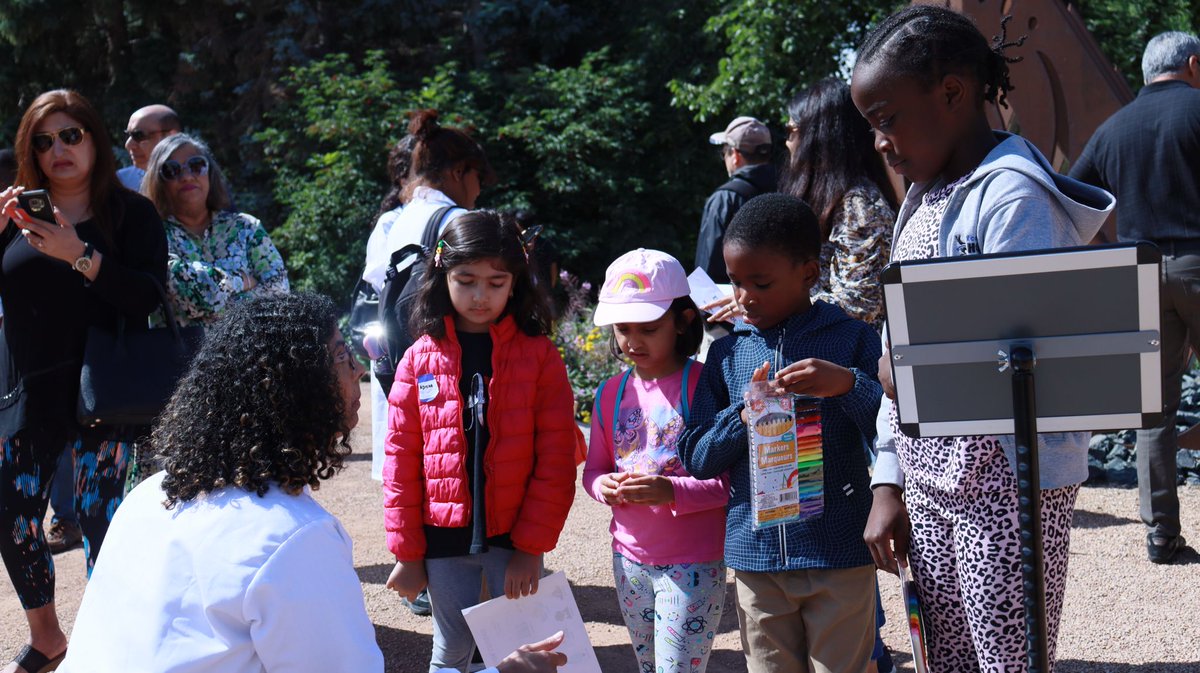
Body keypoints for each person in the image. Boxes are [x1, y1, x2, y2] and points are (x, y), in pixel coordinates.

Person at [56, 293, 568, 673]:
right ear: (298, 390)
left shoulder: (151, 494)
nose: (358, 374)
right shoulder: (291, 539)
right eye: (343, 357)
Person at [851, 6, 1115, 672]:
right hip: (932, 483)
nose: (881, 141)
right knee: (947, 657)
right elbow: (899, 351)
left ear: (952, 93)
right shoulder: (924, 199)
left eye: (887, 119)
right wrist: (889, 480)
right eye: (871, 126)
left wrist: (907, 371)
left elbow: (1022, 361)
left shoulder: (1014, 200)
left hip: (1010, 489)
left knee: (1009, 660)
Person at [0, 89, 168, 673]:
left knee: (105, 525)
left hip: (106, 391)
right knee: (11, 515)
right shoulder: (15, 217)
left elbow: (147, 295)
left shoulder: (132, 215)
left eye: (71, 135)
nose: (58, 150)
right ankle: (48, 638)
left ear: (95, 139)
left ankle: (105, 645)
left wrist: (79, 254)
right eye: (43, 141)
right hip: (28, 393)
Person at [679, 194, 883, 673]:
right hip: (758, 561)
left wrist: (847, 385)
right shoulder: (728, 356)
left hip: (840, 553)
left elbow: (893, 429)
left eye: (761, 283)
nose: (745, 296)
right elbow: (696, 455)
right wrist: (741, 417)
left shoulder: (851, 339)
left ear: (809, 274)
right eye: (735, 281)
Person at [382, 210, 578, 673]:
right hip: (441, 540)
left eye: (496, 282)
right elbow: (400, 463)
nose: (479, 295)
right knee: (451, 649)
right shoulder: (417, 359)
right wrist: (409, 555)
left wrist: (531, 548)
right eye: (466, 279)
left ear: (516, 282)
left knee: (524, 646)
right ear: (441, 273)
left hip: (514, 538)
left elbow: (555, 459)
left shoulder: (540, 357)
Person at [1069, 31, 1200, 565]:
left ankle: (1161, 535)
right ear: (1193, 64)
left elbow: (1072, 193)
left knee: (1155, 409)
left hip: (1139, 272)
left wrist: (1110, 250)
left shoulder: (1113, 128)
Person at [584, 248, 727, 673]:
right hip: (628, 559)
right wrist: (601, 486)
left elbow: (729, 482)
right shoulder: (610, 393)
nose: (632, 340)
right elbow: (594, 469)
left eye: (647, 328)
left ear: (683, 321)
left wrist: (671, 490)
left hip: (694, 562)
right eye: (622, 328)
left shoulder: (704, 386)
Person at [781, 77, 897, 331]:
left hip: (852, 363)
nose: (787, 142)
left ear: (818, 136)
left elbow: (857, 304)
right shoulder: (837, 198)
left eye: (791, 130)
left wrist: (774, 301)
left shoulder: (860, 205)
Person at [141, 133, 288, 327]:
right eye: (171, 170)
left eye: (196, 166)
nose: (186, 177)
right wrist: (242, 282)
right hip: (182, 356)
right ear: (159, 182)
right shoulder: (152, 235)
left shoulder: (246, 227)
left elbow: (280, 293)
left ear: (210, 173)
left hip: (250, 354)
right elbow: (197, 297)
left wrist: (219, 294)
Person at [694, 116, 776, 285]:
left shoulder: (725, 199)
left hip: (735, 304)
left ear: (735, 155)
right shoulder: (790, 189)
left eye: (725, 151)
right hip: (781, 302)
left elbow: (708, 269)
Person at [117, 104, 181, 191]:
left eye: (139, 135)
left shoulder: (196, 176)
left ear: (171, 137)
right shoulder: (122, 182)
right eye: (128, 135)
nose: (128, 145)